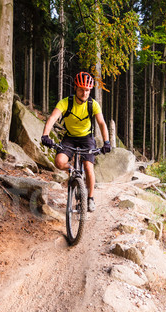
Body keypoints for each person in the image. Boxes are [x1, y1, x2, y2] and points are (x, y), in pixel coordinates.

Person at [41, 71, 111, 212]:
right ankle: (72, 170)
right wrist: (45, 135)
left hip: (87, 138)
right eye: (81, 89)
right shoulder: (66, 102)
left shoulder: (93, 104)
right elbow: (52, 118)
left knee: (88, 168)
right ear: (75, 88)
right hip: (70, 138)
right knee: (59, 162)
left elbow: (102, 123)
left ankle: (90, 199)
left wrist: (107, 142)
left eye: (87, 90)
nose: (84, 93)